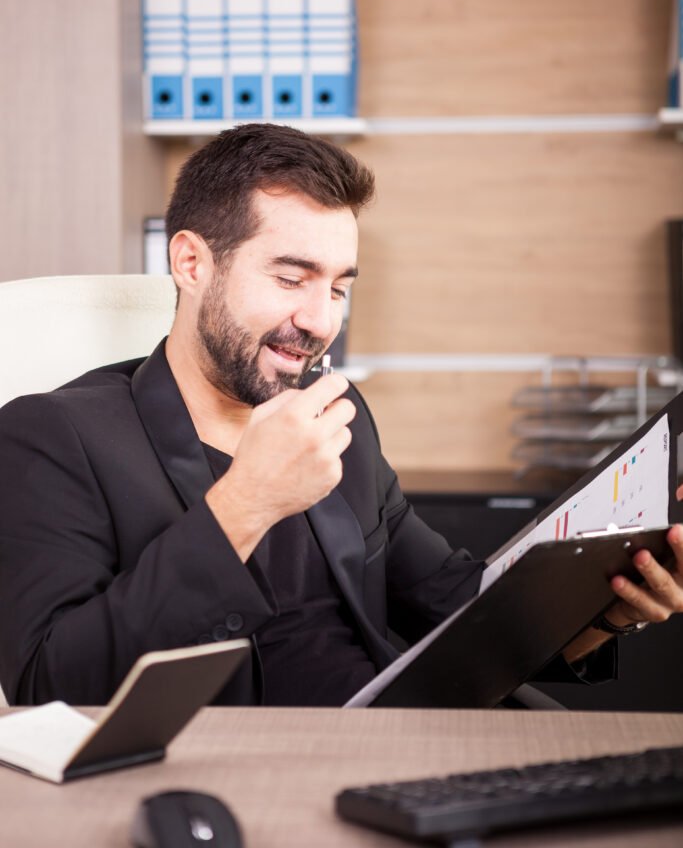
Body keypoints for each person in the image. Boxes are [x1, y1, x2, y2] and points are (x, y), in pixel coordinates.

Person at [0, 123, 681, 707]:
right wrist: (244, 505)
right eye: (291, 279)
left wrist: (604, 608)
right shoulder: (56, 436)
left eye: (337, 287)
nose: (319, 320)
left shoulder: (333, 413)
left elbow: (454, 604)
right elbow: (50, 683)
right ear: (190, 263)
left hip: (404, 740)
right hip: (245, 777)